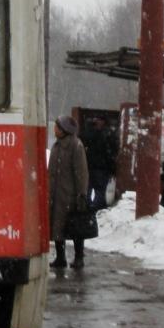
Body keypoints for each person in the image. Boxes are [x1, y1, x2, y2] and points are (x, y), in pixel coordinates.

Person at [48, 114, 90, 269]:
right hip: (56, 194)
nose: (54, 129)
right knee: (57, 227)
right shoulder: (57, 145)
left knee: (76, 227)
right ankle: (60, 257)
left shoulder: (75, 146)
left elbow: (81, 172)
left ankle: (79, 257)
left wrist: (81, 194)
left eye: (57, 127)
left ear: (63, 129)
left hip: (69, 195)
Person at [83, 116, 117, 210]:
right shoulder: (107, 133)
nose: (97, 122)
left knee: (95, 191)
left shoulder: (104, 134)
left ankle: (93, 209)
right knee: (95, 191)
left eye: (99, 120)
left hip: (97, 167)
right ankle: (93, 209)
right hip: (97, 167)